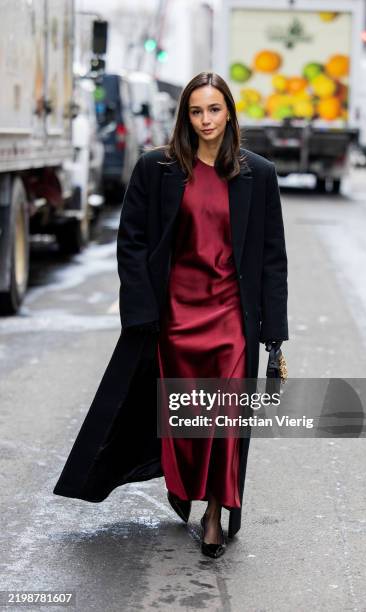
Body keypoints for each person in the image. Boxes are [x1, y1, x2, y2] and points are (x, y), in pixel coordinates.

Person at [53, 71, 288, 560]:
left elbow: (271, 258)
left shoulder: (257, 173)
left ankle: (215, 516)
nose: (206, 120)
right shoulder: (155, 169)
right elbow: (132, 242)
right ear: (185, 116)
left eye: (214, 110)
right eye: (196, 111)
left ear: (230, 113)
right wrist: (140, 311)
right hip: (175, 317)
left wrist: (274, 338)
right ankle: (181, 486)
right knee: (181, 419)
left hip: (230, 319)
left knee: (223, 421)